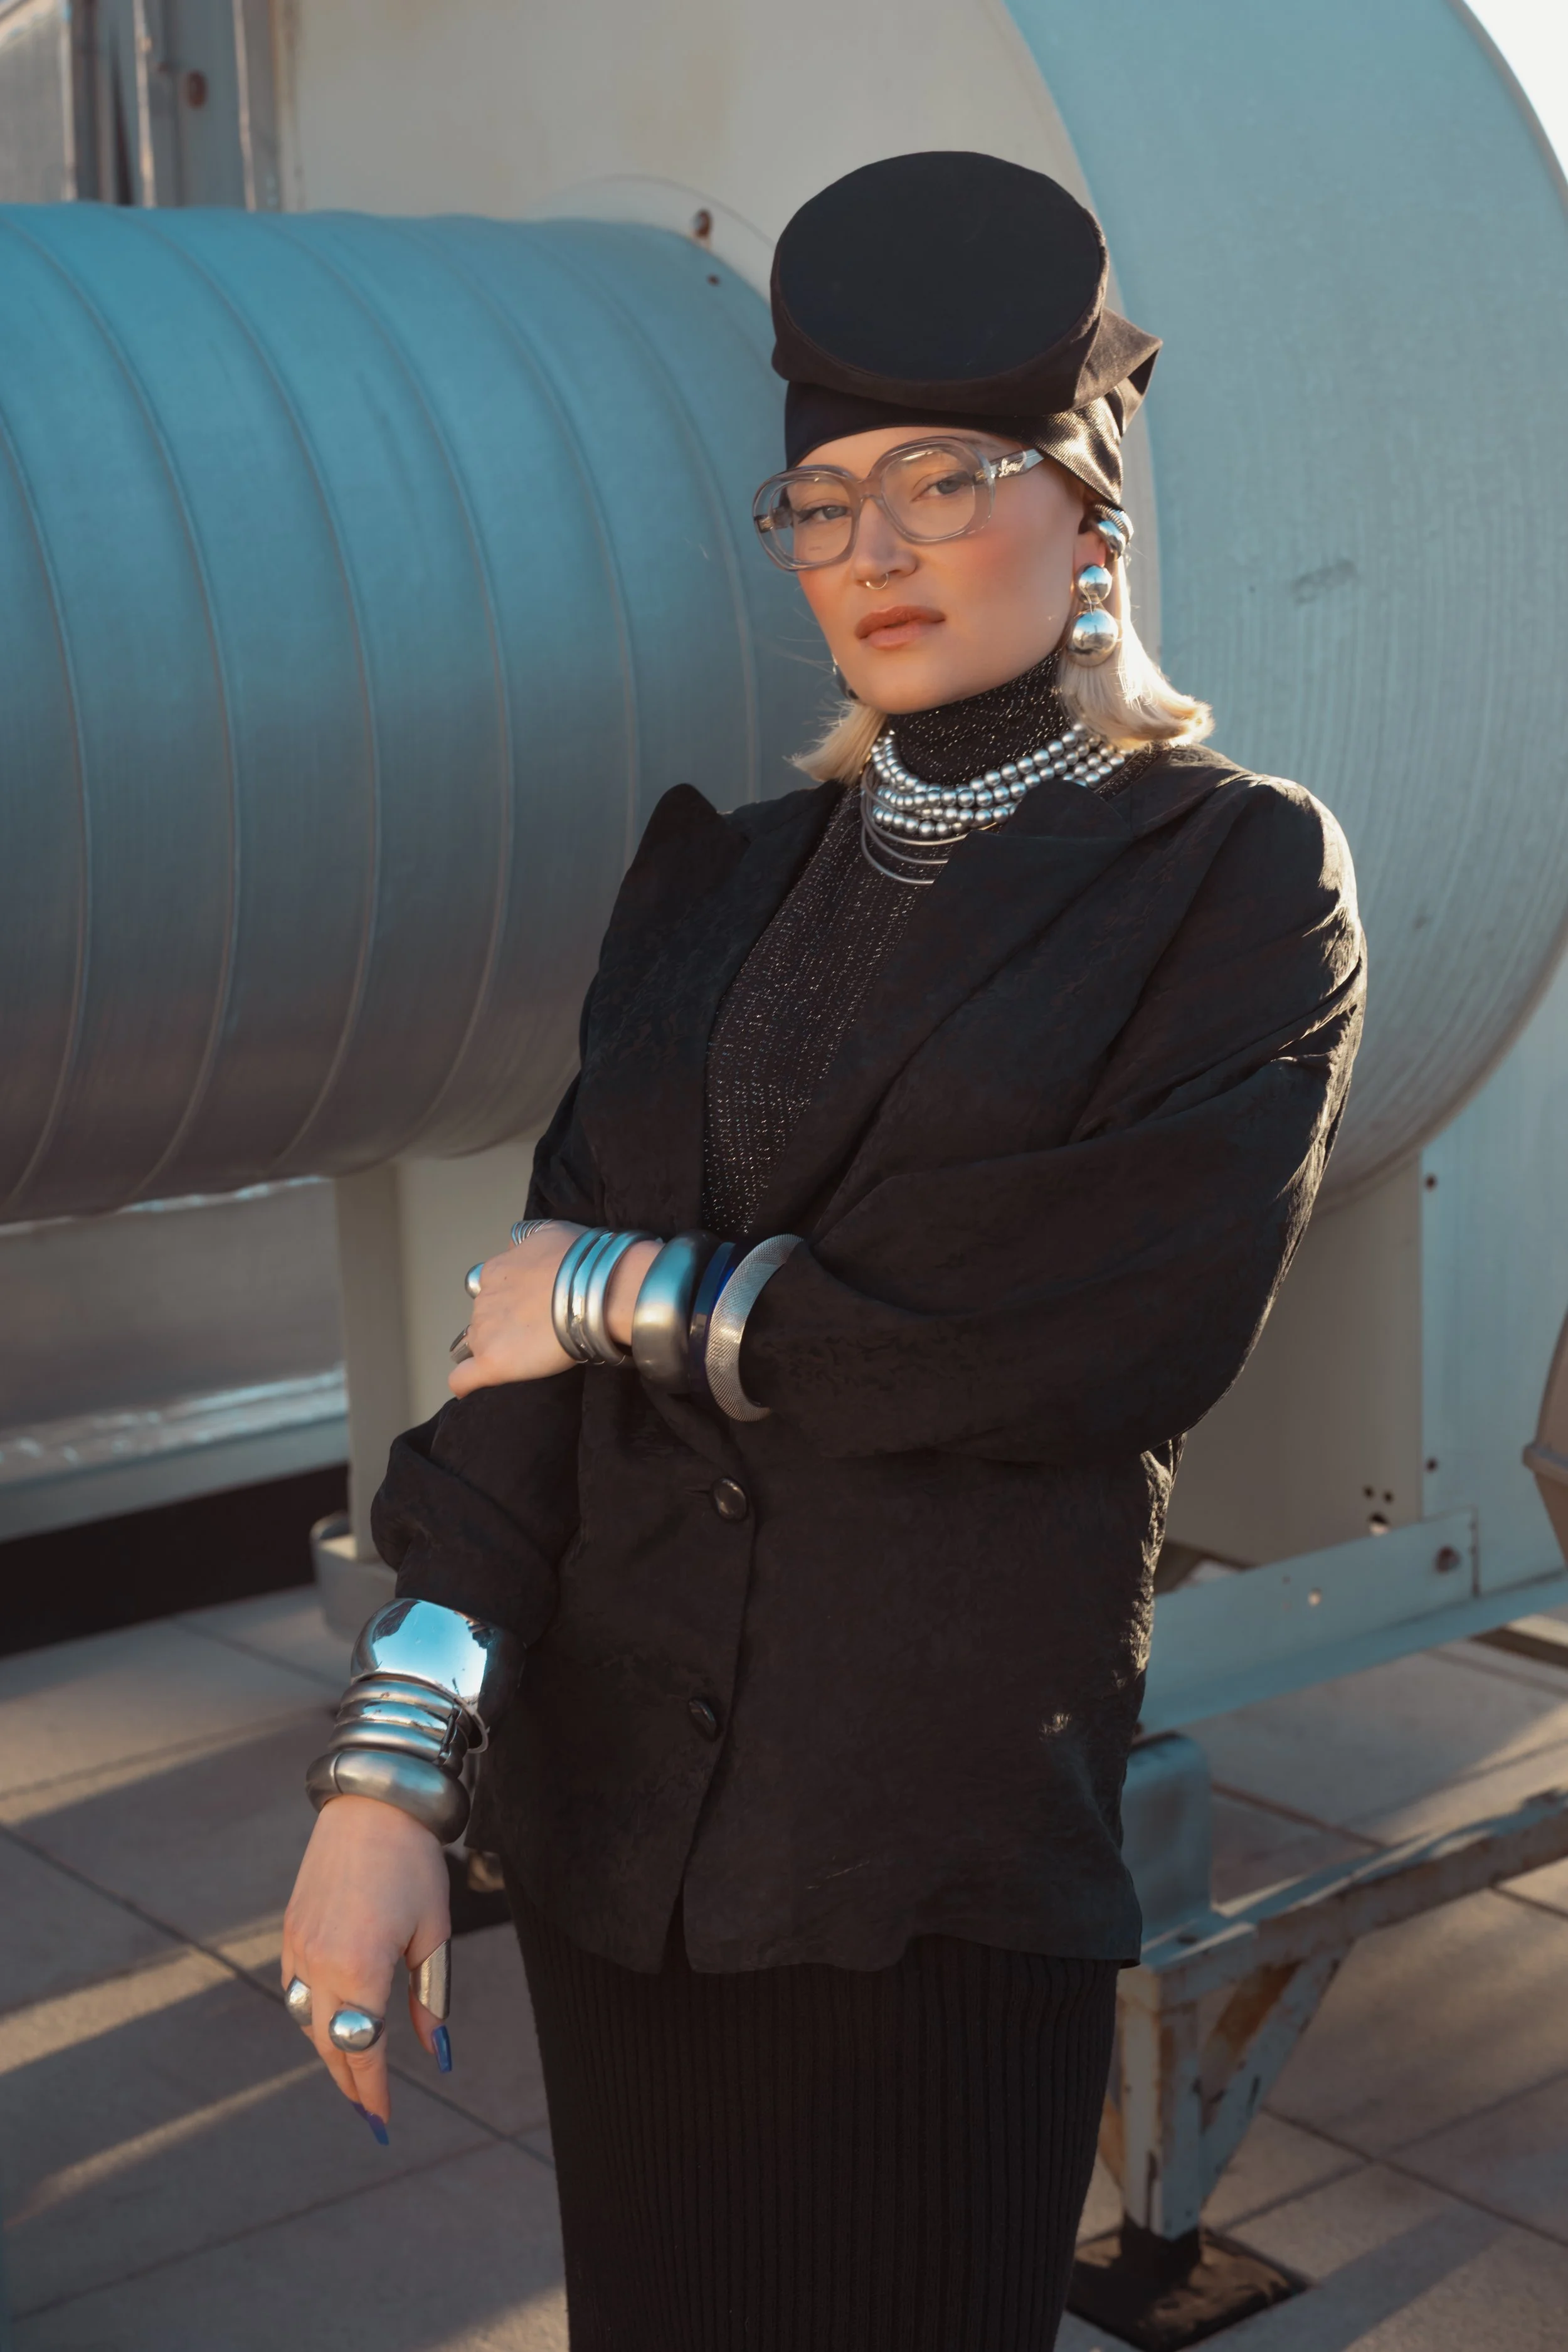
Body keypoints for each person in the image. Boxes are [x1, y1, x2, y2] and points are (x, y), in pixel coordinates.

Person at [282, 151, 1365, 2350]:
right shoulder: (715, 882)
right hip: (620, 1865)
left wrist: (618, 1287)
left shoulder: (1228, 879)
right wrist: (395, 1766)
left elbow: (1079, 1329)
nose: (871, 548)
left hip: (927, 1860)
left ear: (1089, 512)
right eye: (821, 500)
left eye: (944, 480)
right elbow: (521, 1383)